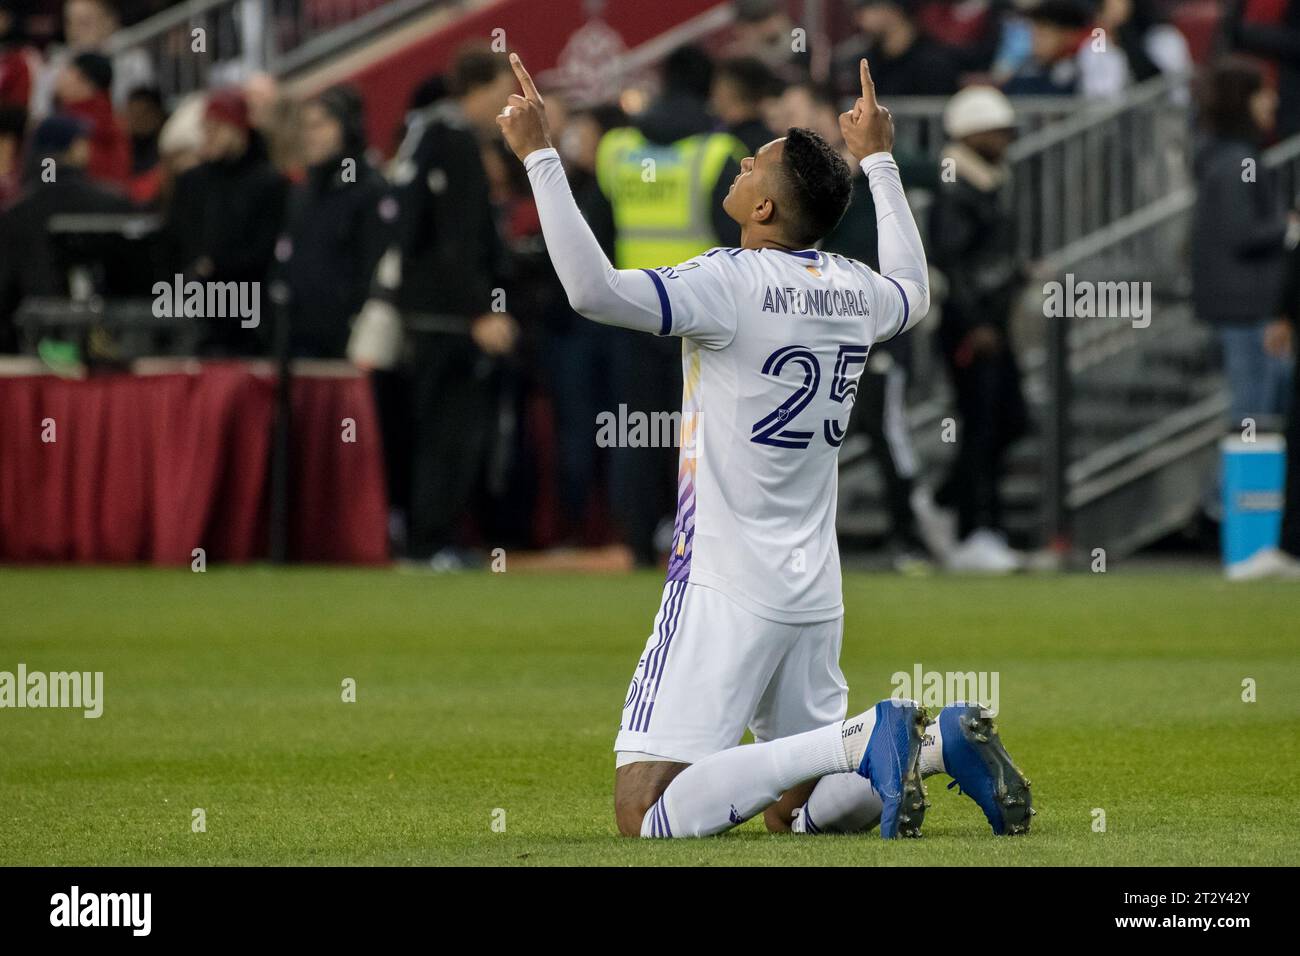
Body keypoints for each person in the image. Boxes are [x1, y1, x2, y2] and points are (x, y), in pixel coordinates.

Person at [498, 53, 1033, 839]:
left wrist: (540, 155)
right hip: (814, 583)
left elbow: (593, 291)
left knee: (643, 817)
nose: (744, 161)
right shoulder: (856, 289)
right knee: (797, 810)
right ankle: (929, 748)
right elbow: (915, 291)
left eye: (757, 164)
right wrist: (879, 160)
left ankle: (864, 733)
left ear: (766, 213)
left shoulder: (727, 283)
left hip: (723, 576)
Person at [593, 45, 748, 567]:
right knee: (703, 437)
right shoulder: (717, 151)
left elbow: (595, 229)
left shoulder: (616, 147)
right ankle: (695, 544)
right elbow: (740, 242)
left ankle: (637, 541)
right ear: (709, 88)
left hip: (631, 309)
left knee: (637, 429)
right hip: (700, 315)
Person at [377, 44, 518, 567]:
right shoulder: (455, 143)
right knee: (450, 432)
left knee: (430, 425)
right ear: (478, 91)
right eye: (501, 93)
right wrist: (480, 310)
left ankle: (426, 538)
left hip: (423, 309)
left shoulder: (420, 134)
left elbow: (408, 226)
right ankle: (431, 542)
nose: (506, 105)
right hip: (453, 316)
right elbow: (457, 239)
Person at [929, 86, 1029, 572]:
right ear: (969, 133)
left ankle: (950, 501)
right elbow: (952, 262)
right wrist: (975, 323)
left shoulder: (987, 181)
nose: (1005, 139)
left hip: (992, 322)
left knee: (1011, 419)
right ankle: (976, 529)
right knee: (982, 424)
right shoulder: (956, 187)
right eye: (996, 130)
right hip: (972, 328)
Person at [1191, 58, 1292, 434]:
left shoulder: (1234, 157)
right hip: (1247, 308)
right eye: (1263, 93)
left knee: (1258, 410)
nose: (1273, 102)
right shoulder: (1241, 163)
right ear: (1244, 101)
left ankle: (1227, 492)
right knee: (1253, 416)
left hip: (1245, 305)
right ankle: (1228, 495)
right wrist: (1289, 226)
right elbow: (1242, 232)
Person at [163, 87, 288, 355]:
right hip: (196, 310)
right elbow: (175, 239)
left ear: (238, 128)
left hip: (251, 314)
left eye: (217, 128)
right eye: (205, 129)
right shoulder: (191, 182)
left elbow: (267, 247)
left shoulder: (269, 183)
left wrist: (217, 265)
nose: (209, 137)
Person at [0, 114, 135, 352]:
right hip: (106, 336)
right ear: (73, 147)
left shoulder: (18, 210)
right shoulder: (112, 202)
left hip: (33, 337)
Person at [276, 85, 393, 360]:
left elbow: (374, 266)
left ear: (347, 127)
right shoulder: (302, 192)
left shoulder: (370, 189)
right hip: (300, 341)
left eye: (319, 125)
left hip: (349, 344)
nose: (309, 136)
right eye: (305, 127)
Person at [835, 0, 961, 100]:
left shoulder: (934, 61)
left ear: (891, 10)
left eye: (867, 9)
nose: (859, 19)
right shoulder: (865, 61)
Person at [55, 51, 129, 188]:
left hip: (89, 199)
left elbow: (46, 173)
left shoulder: (105, 123)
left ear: (81, 78)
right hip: (105, 197)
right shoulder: (115, 119)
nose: (59, 77)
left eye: (66, 72)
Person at [710, 56, 780, 155]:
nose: (712, 95)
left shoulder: (724, 150)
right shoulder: (774, 143)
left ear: (727, 92)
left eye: (716, 87)